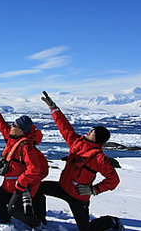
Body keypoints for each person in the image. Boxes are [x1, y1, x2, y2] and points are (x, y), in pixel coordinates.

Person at [35, 91, 121, 231]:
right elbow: (64, 127)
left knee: (85, 229)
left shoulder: (98, 158)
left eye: (93, 131)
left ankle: (111, 222)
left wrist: (93, 189)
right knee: (37, 188)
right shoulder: (77, 142)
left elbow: (113, 180)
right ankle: (40, 219)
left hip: (78, 197)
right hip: (62, 187)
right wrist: (53, 108)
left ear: (97, 138)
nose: (90, 130)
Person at [0, 96, 48, 228]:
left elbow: (34, 168)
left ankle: (36, 224)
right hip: (9, 184)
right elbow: (0, 123)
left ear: (21, 130)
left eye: (14, 125)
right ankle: (6, 222)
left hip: (19, 186)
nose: (11, 126)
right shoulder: (13, 139)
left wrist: (21, 183)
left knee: (14, 209)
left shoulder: (26, 147)